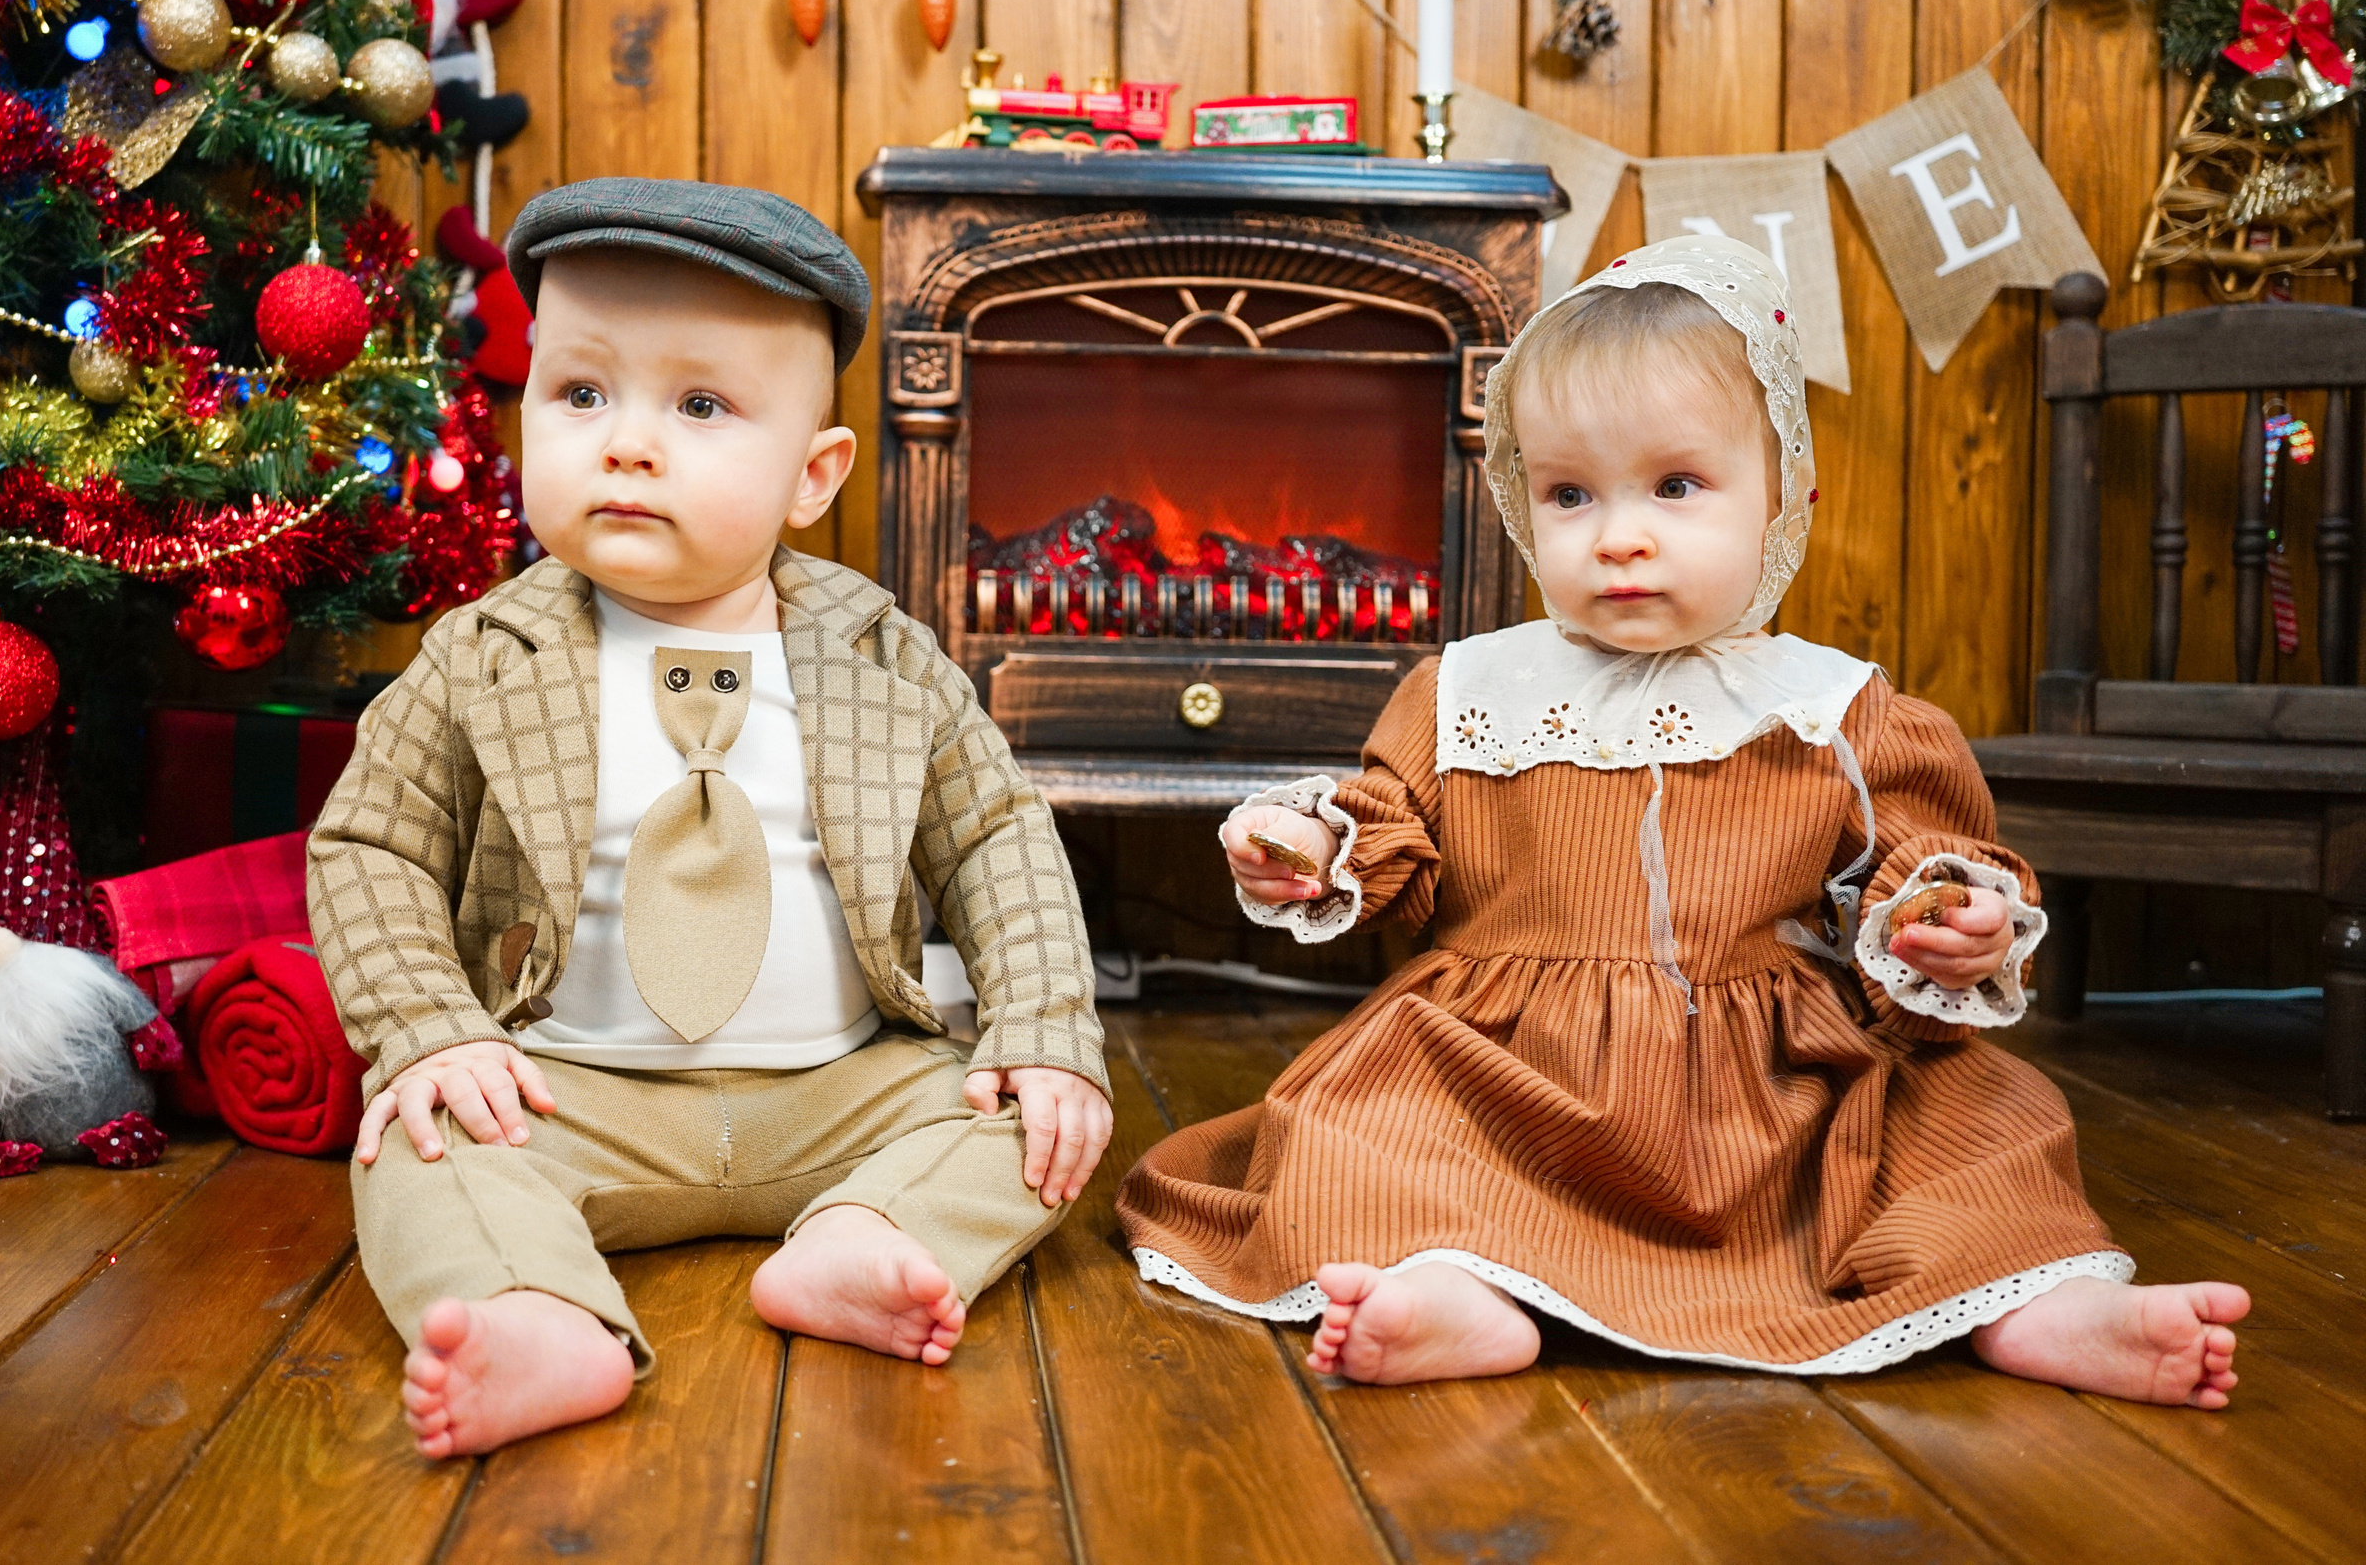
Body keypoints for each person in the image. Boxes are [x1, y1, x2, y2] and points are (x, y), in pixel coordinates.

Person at [1117, 234, 2248, 1407]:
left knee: (1974, 1131)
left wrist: (1943, 916)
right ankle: (1457, 1283)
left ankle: (2040, 1304)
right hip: (1502, 1077)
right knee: (1361, 1134)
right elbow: (1388, 820)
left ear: (1780, 497)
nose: (1618, 535)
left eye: (1674, 486)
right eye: (1569, 495)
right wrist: (1314, 847)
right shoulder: (1467, 692)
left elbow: (1911, 858)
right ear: (1520, 502)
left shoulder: (1827, 705)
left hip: (1765, 1092)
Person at [309, 179, 1113, 1458]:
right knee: (419, 1141)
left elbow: (994, 839)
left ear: (813, 475)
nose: (626, 444)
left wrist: (1043, 1026)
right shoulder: (479, 657)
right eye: (581, 394)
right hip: (570, 1091)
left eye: (698, 407)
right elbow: (373, 846)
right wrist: (426, 1032)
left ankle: (870, 1240)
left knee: (1037, 1119)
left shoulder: (878, 656)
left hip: (845, 1092)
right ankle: (532, 1313)